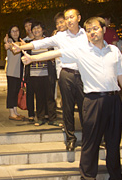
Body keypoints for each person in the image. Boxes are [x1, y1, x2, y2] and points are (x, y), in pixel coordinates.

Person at [20, 16, 122, 180]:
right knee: (91, 142)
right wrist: (33, 58)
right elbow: (56, 52)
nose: (92, 33)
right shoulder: (81, 50)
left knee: (113, 142)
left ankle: (117, 178)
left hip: (113, 101)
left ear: (104, 29)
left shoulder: (114, 51)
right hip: (93, 100)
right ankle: (88, 178)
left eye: (95, 29)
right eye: (89, 30)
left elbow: (120, 76)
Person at [12, 8, 86, 151]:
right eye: (67, 18)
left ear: (79, 18)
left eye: (72, 17)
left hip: (83, 74)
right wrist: (23, 46)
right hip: (66, 74)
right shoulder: (61, 36)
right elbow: (41, 43)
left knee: (85, 108)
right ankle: (70, 138)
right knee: (67, 107)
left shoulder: (86, 35)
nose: (69, 20)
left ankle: (89, 136)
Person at [26, 21, 58, 126]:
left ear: (42, 30)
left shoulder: (48, 42)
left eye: (38, 28)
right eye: (34, 29)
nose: (36, 30)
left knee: (50, 96)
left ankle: (52, 118)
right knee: (39, 97)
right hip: (35, 74)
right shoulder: (30, 44)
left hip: (47, 73)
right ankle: (40, 118)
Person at [4, 25, 25, 121]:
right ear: (9, 33)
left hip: (18, 71)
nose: (15, 32)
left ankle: (15, 111)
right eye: (13, 31)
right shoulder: (10, 42)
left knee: (16, 91)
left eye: (17, 30)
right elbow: (12, 47)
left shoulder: (20, 42)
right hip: (12, 72)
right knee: (12, 92)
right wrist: (6, 42)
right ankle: (11, 113)